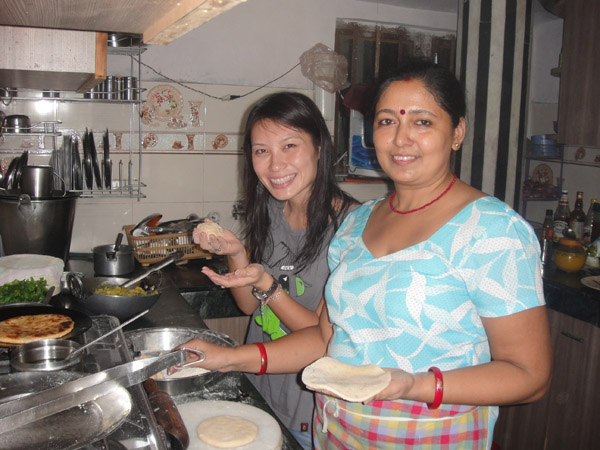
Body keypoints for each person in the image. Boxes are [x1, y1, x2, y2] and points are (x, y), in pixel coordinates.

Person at [177, 61, 552, 449]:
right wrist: (228, 358)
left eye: (422, 122)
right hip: (333, 434)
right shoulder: (358, 225)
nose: (401, 138)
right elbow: (325, 341)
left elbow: (529, 376)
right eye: (387, 121)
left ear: (457, 132)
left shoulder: (492, 229)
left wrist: (415, 385)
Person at [193, 91, 357, 449]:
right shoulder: (270, 209)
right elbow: (249, 306)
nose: (275, 165)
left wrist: (267, 285)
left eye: (289, 146)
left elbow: (321, 336)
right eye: (261, 151)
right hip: (260, 384)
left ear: (319, 148)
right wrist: (237, 254)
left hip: (307, 403)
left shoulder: (353, 229)